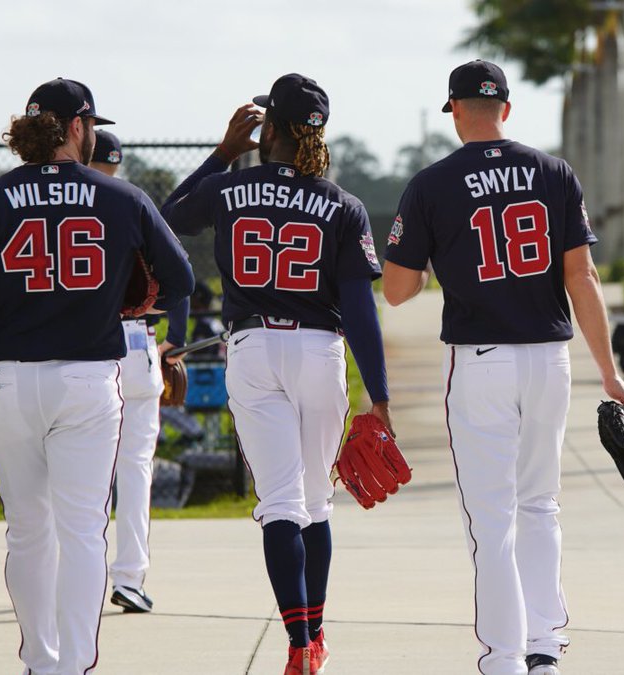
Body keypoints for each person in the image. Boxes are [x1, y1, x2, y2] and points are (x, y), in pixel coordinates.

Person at [0, 78, 194, 675]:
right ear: (78, 128)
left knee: (27, 532)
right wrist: (122, 302)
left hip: (9, 385)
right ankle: (73, 666)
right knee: (82, 532)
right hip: (88, 383)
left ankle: (41, 664)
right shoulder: (122, 198)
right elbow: (180, 280)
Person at [381, 60, 624, 675]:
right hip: (549, 359)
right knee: (540, 503)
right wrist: (609, 370)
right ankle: (547, 645)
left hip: (482, 362)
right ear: (507, 108)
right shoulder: (553, 172)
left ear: (454, 111)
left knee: (492, 515)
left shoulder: (432, 183)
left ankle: (504, 657)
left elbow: (395, 291)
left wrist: (433, 261)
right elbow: (583, 277)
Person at [161, 73, 392, 675]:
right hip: (319, 351)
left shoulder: (230, 187)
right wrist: (381, 396)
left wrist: (222, 154)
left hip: (253, 349)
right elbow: (361, 309)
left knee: (281, 502)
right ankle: (314, 638)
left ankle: (296, 645)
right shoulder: (341, 203)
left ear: (268, 128)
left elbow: (165, 223)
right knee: (316, 503)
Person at [87, 128, 191, 613]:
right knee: (134, 469)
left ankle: (76, 571)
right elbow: (181, 277)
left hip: (79, 348)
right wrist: (178, 336)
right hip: (136, 344)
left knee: (76, 470)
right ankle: (129, 577)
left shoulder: (61, 206)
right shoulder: (129, 203)